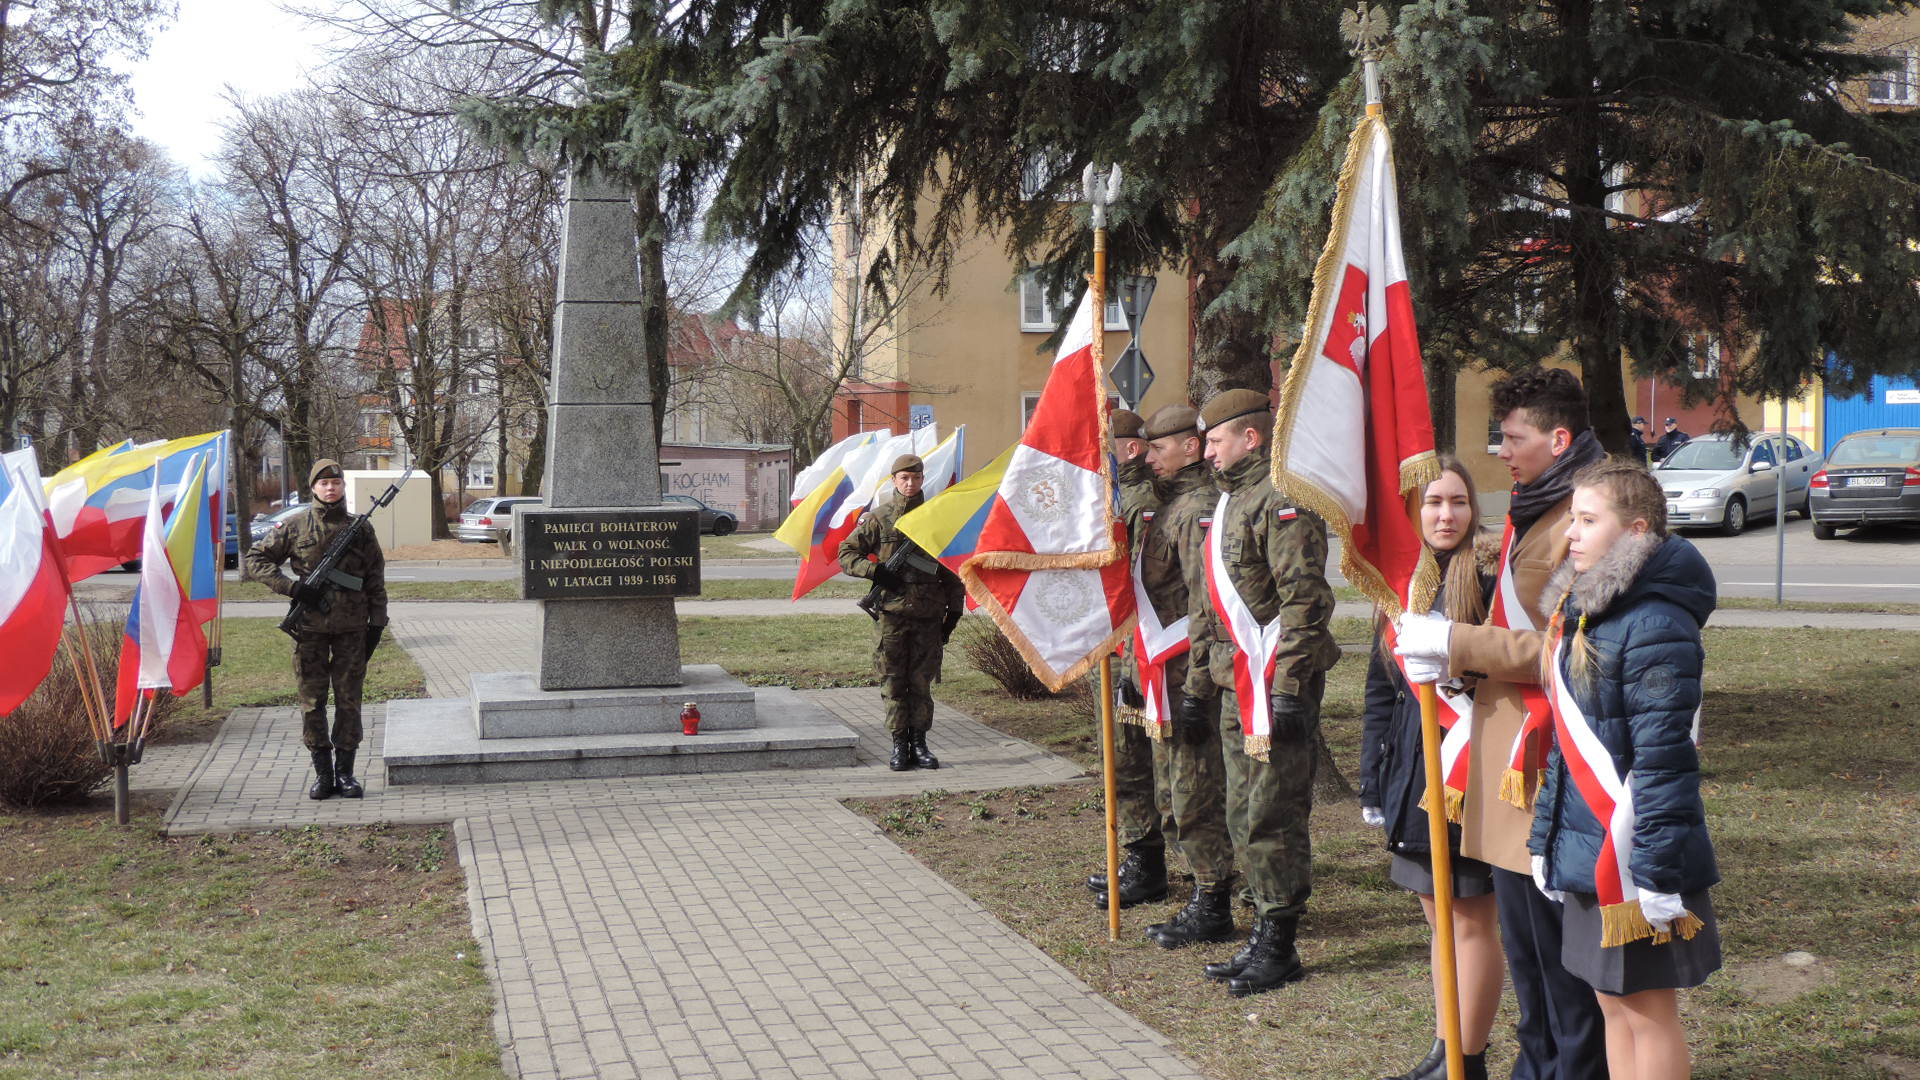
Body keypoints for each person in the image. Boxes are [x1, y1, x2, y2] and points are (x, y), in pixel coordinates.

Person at [1392, 366, 1609, 1080]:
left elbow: (1571, 649)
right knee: (1529, 957)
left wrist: (1457, 644)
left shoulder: (1589, 513)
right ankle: (1535, 1063)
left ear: (1559, 439)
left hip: (1552, 766)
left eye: (1513, 438)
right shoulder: (1536, 507)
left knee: (1563, 971)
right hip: (1512, 764)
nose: (1501, 451)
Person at [1532, 458, 1721, 1080]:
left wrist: (1658, 873)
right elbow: (1568, 745)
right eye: (1572, 519)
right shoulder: (1591, 610)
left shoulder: (1656, 620)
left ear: (1636, 531)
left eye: (1588, 520)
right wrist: (1544, 840)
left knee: (1646, 1011)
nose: (1571, 533)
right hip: (1591, 848)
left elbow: (1664, 761)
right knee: (1611, 1002)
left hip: (1638, 853)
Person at [1180, 388, 1339, 997]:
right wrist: (1199, 684)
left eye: (1215, 440)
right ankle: (1260, 929)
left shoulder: (1281, 498)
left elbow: (1305, 600)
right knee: (1242, 810)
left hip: (1274, 683)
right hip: (1235, 681)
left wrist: (1291, 688)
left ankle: (1280, 943)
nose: (1207, 452)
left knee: (1272, 811)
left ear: (1251, 438)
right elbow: (1208, 605)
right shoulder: (1229, 501)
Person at [1360, 458, 1502, 1080]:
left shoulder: (1492, 575)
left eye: (1458, 502)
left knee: (1469, 918)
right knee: (1437, 918)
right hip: (1412, 771)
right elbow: (1380, 691)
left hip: (1469, 772)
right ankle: (1445, 1049)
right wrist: (1373, 779)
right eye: (1433, 503)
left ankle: (1468, 1059)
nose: (1446, 515)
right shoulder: (1401, 581)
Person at [1129, 403, 1237, 949]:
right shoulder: (1170, 503)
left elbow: (1205, 606)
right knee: (1173, 789)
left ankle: (1214, 899)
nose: (1150, 457)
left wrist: (1197, 687)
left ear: (1190, 447)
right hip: (1162, 673)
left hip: (1187, 675)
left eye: (1159, 448)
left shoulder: (1197, 508)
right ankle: (1202, 887)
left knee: (1194, 790)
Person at [244, 459, 388, 801]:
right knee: (312, 702)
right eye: (324, 483)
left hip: (352, 629)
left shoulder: (360, 528)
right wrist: (292, 588)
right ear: (313, 488)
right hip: (310, 629)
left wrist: (377, 622)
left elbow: (375, 577)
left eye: (336, 482)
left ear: (343, 487)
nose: (330, 488)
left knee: (349, 701)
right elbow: (255, 559)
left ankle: (346, 774)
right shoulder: (295, 525)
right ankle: (323, 774)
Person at [1085, 409, 1176, 907]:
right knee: (1123, 759)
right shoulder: (1117, 498)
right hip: (1125, 647)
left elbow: (1136, 585)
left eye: (1106, 447)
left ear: (1131, 449)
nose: (1098, 456)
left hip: (1140, 650)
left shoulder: (1141, 502)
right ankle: (1142, 858)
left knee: (1133, 760)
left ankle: (1148, 864)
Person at [838, 454, 966, 772]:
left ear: (923, 479)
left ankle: (920, 745)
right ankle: (899, 746)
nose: (910, 484)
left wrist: (953, 613)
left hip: (928, 616)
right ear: (894, 480)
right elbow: (846, 553)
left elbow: (953, 570)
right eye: (904, 478)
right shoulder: (879, 519)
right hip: (892, 617)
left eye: (916, 478)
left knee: (921, 684)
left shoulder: (935, 517)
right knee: (894, 683)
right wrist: (876, 571)